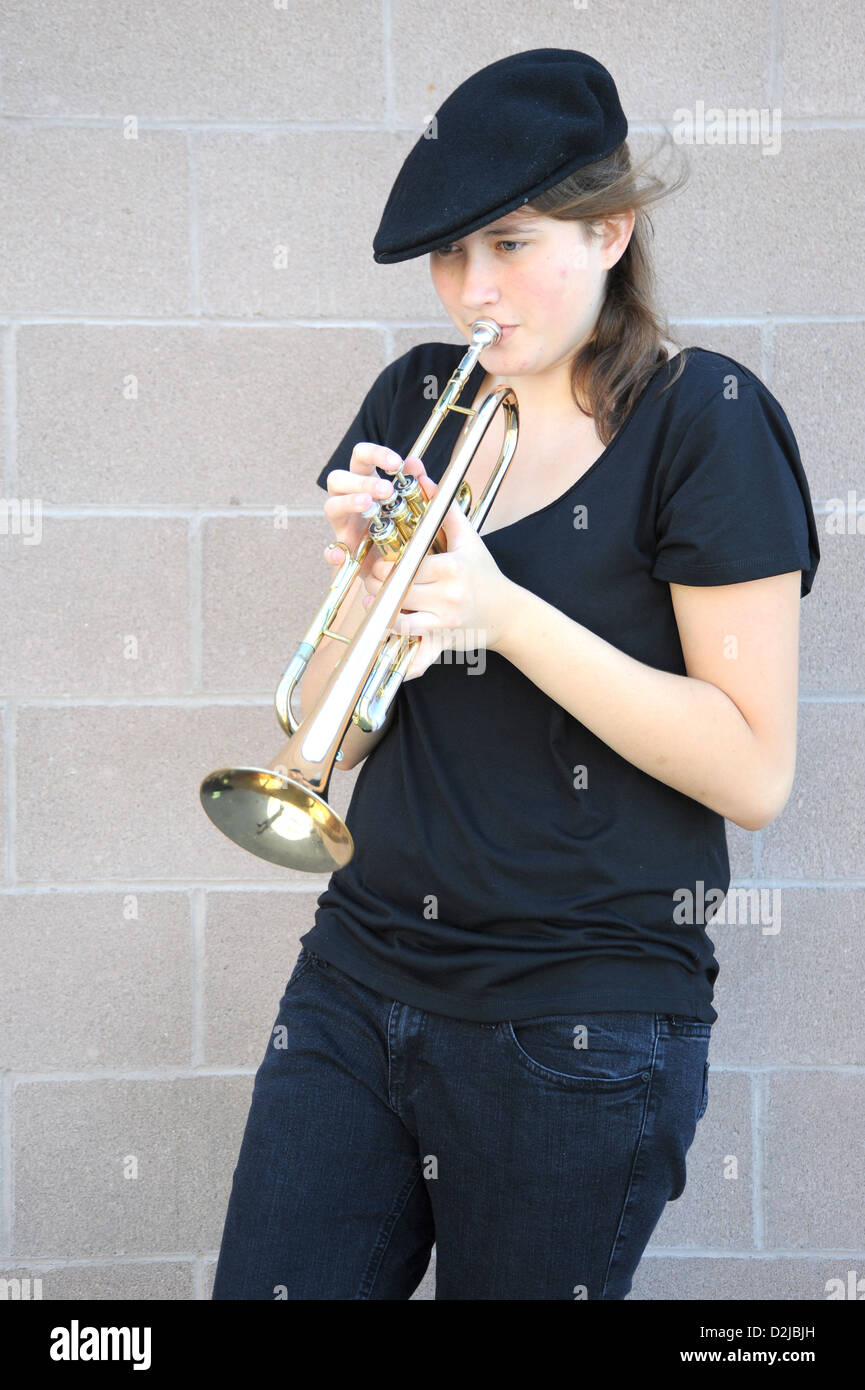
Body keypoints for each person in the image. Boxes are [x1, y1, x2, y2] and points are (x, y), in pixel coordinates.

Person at [212, 49, 820, 1301]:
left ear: (613, 229)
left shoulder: (704, 419)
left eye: (509, 240)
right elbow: (329, 735)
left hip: (577, 1022)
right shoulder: (418, 394)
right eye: (450, 256)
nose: (471, 290)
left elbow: (753, 768)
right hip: (357, 974)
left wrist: (508, 612)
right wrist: (366, 588)